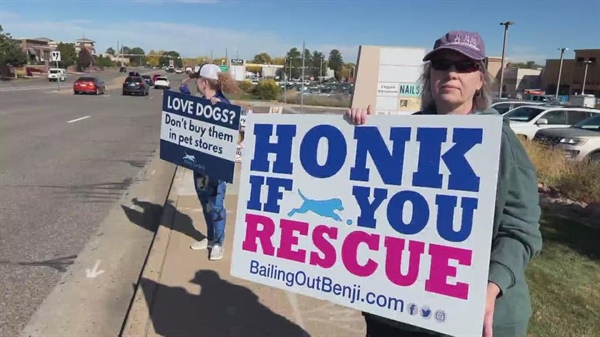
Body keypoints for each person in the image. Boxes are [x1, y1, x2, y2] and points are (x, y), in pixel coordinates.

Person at [347, 31, 543, 337]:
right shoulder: (401, 133)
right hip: (397, 312)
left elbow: (521, 229)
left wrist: (491, 287)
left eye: (465, 65)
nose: (451, 72)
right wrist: (357, 132)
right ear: (430, 75)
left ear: (480, 80)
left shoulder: (500, 141)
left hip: (470, 315)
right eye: (442, 63)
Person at [189, 63, 240, 261]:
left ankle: (218, 242)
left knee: (216, 203)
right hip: (200, 165)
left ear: (203, 83)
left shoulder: (223, 104)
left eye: (197, 81)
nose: (196, 84)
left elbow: (236, 130)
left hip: (217, 167)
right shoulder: (199, 103)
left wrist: (220, 109)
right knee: (205, 202)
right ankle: (210, 238)